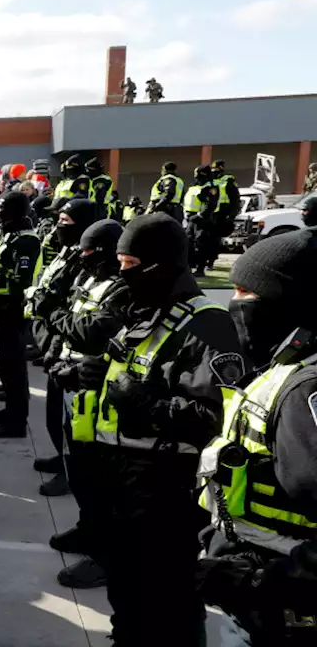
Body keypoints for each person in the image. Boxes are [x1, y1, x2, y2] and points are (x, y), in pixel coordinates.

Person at [78, 213, 240, 646]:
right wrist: (98, 374)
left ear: (161, 264)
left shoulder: (208, 325)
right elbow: (131, 373)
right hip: (125, 482)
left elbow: (219, 420)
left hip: (168, 492)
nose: (122, 274)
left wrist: (146, 402)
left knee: (169, 604)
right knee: (128, 594)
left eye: (131, 264)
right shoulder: (145, 311)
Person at [196, 228, 317, 646]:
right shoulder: (283, 365)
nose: (236, 304)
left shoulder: (305, 388)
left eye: (247, 293)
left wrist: (277, 579)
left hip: (286, 607)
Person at [43, 219, 126, 590]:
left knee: (98, 477)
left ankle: (105, 554)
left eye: (91, 250)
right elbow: (73, 315)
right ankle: (87, 527)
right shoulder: (90, 278)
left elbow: (93, 333)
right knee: (78, 464)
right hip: (73, 378)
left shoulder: (122, 288)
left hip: (98, 389)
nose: (84, 256)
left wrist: (55, 315)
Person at [25, 198, 99, 493]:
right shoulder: (66, 253)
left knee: (71, 418)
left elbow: (66, 305)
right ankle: (61, 458)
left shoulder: (87, 261)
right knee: (53, 413)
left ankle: (71, 472)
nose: (59, 226)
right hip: (53, 342)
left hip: (69, 347)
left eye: (66, 222)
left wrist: (55, 343)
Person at [0, 192, 43, 437]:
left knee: (15, 364)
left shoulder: (27, 240)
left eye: (4, 209)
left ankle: (17, 420)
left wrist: (8, 301)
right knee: (6, 364)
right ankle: (9, 408)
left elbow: (22, 279)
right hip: (2, 305)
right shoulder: (7, 232)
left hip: (15, 308)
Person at [183, 164, 222, 277]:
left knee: (201, 245)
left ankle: (200, 269)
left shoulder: (211, 187)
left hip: (202, 220)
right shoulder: (196, 186)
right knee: (188, 243)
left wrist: (199, 216)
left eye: (197, 174)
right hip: (190, 219)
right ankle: (189, 267)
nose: (195, 176)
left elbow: (210, 204)